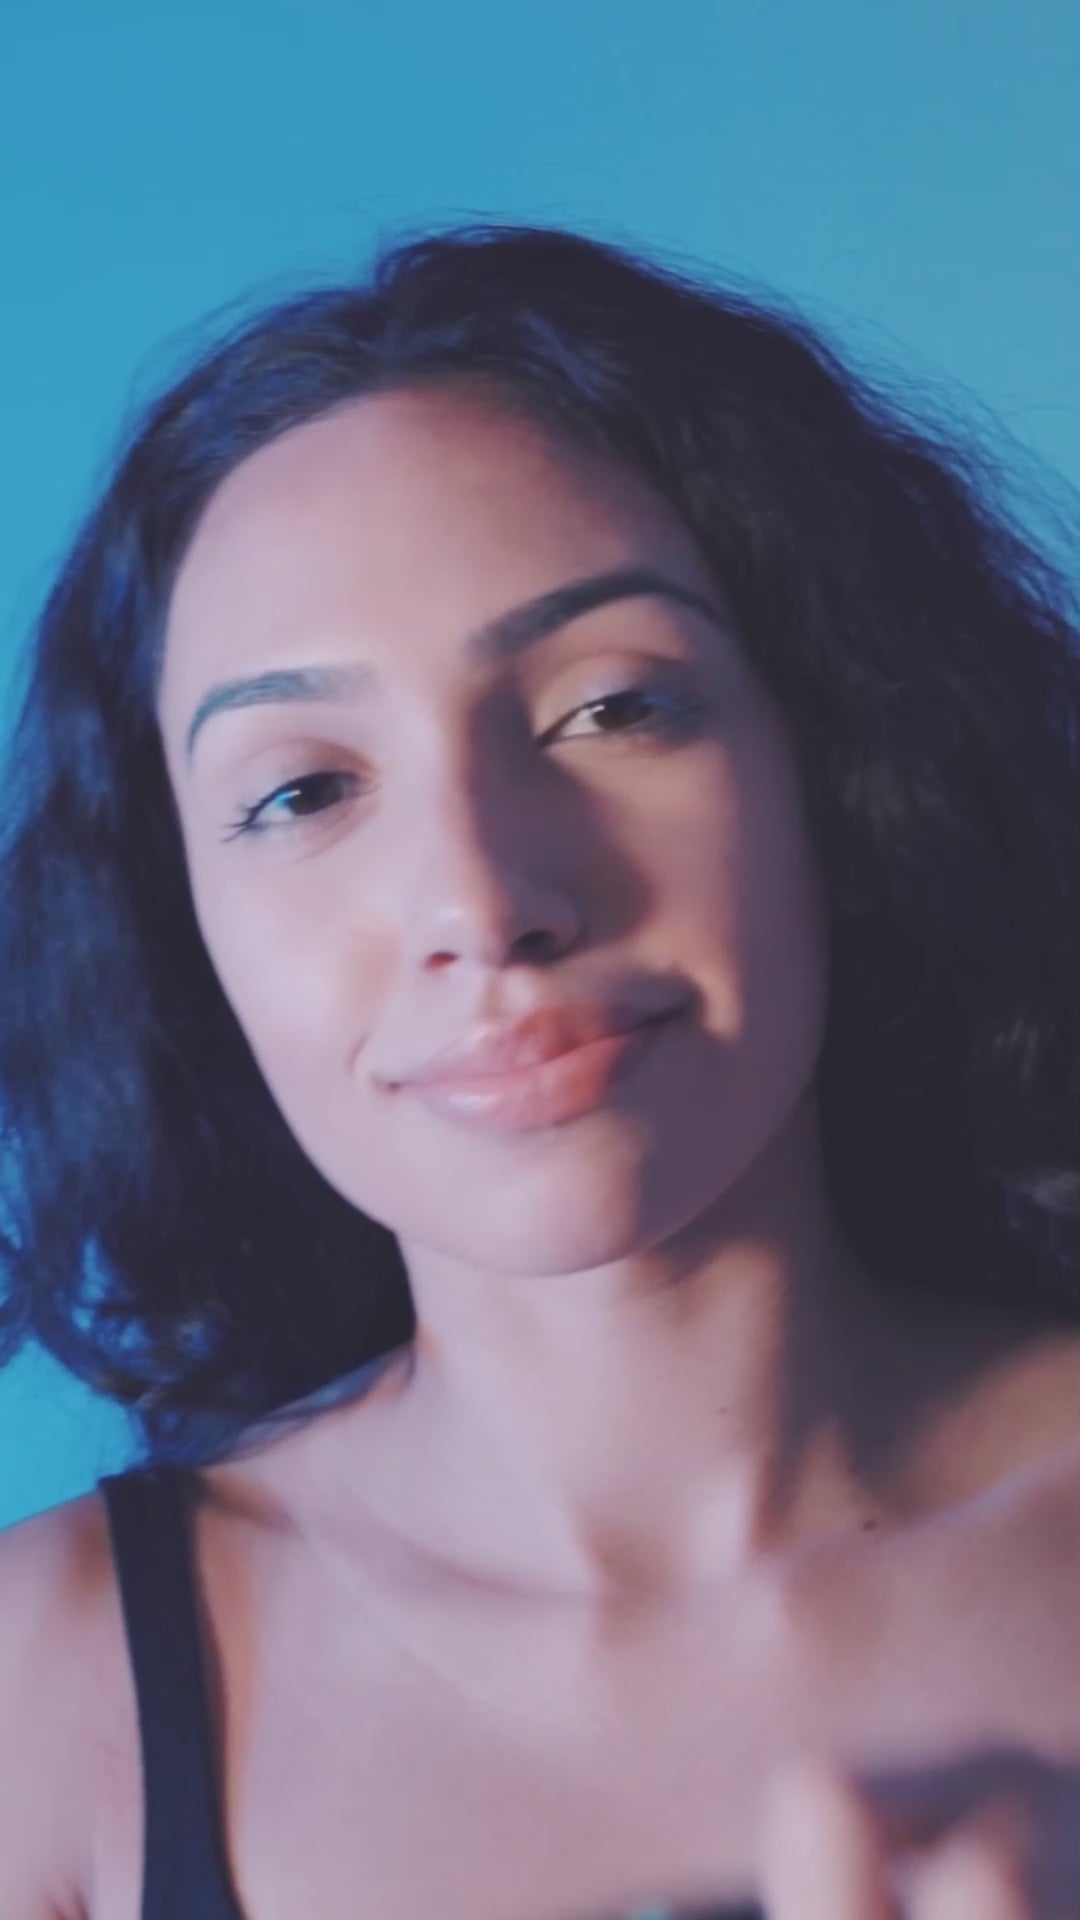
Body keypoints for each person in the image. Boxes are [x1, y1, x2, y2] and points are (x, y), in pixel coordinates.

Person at [0, 218, 1077, 1920]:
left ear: (843, 765)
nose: (484, 903)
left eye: (613, 707)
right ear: (180, 933)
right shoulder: (40, 1700)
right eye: (302, 791)